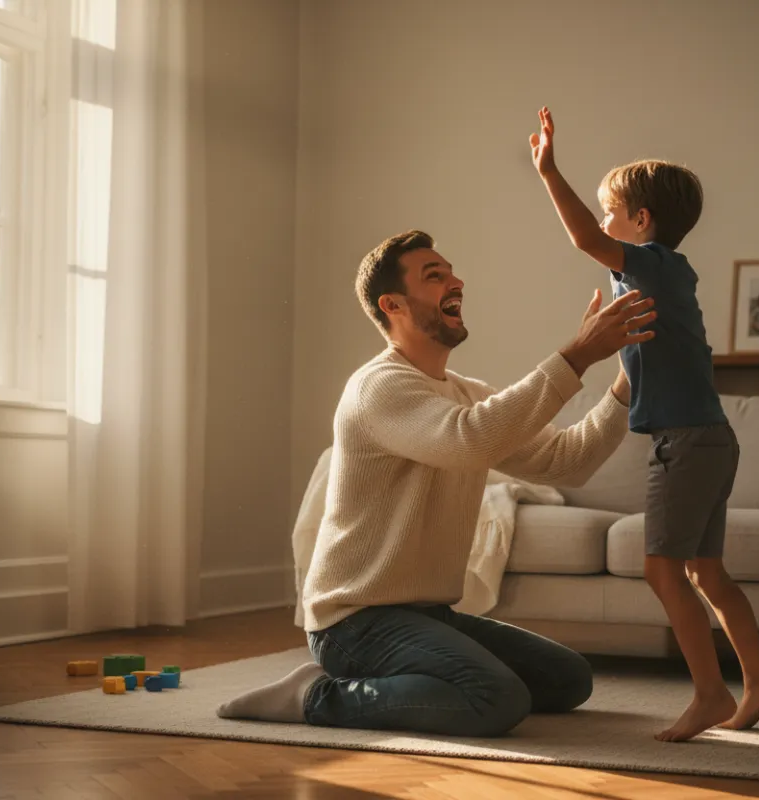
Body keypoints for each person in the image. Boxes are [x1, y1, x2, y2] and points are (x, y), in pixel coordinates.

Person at [216, 229, 657, 738]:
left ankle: (405, 679)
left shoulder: (467, 392)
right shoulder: (378, 386)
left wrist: (627, 378)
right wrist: (577, 354)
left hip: (429, 615)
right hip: (355, 622)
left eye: (451, 271)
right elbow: (467, 440)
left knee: (569, 679)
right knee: (496, 697)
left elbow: (567, 462)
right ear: (393, 305)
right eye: (435, 276)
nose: (457, 281)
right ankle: (315, 694)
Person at [529, 106, 759, 742]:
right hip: (708, 440)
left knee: (661, 570)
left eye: (610, 210)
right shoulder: (653, 280)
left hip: (688, 444)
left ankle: (708, 693)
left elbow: (586, 239)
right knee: (706, 572)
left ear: (641, 223)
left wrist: (549, 172)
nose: (603, 224)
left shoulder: (655, 265)